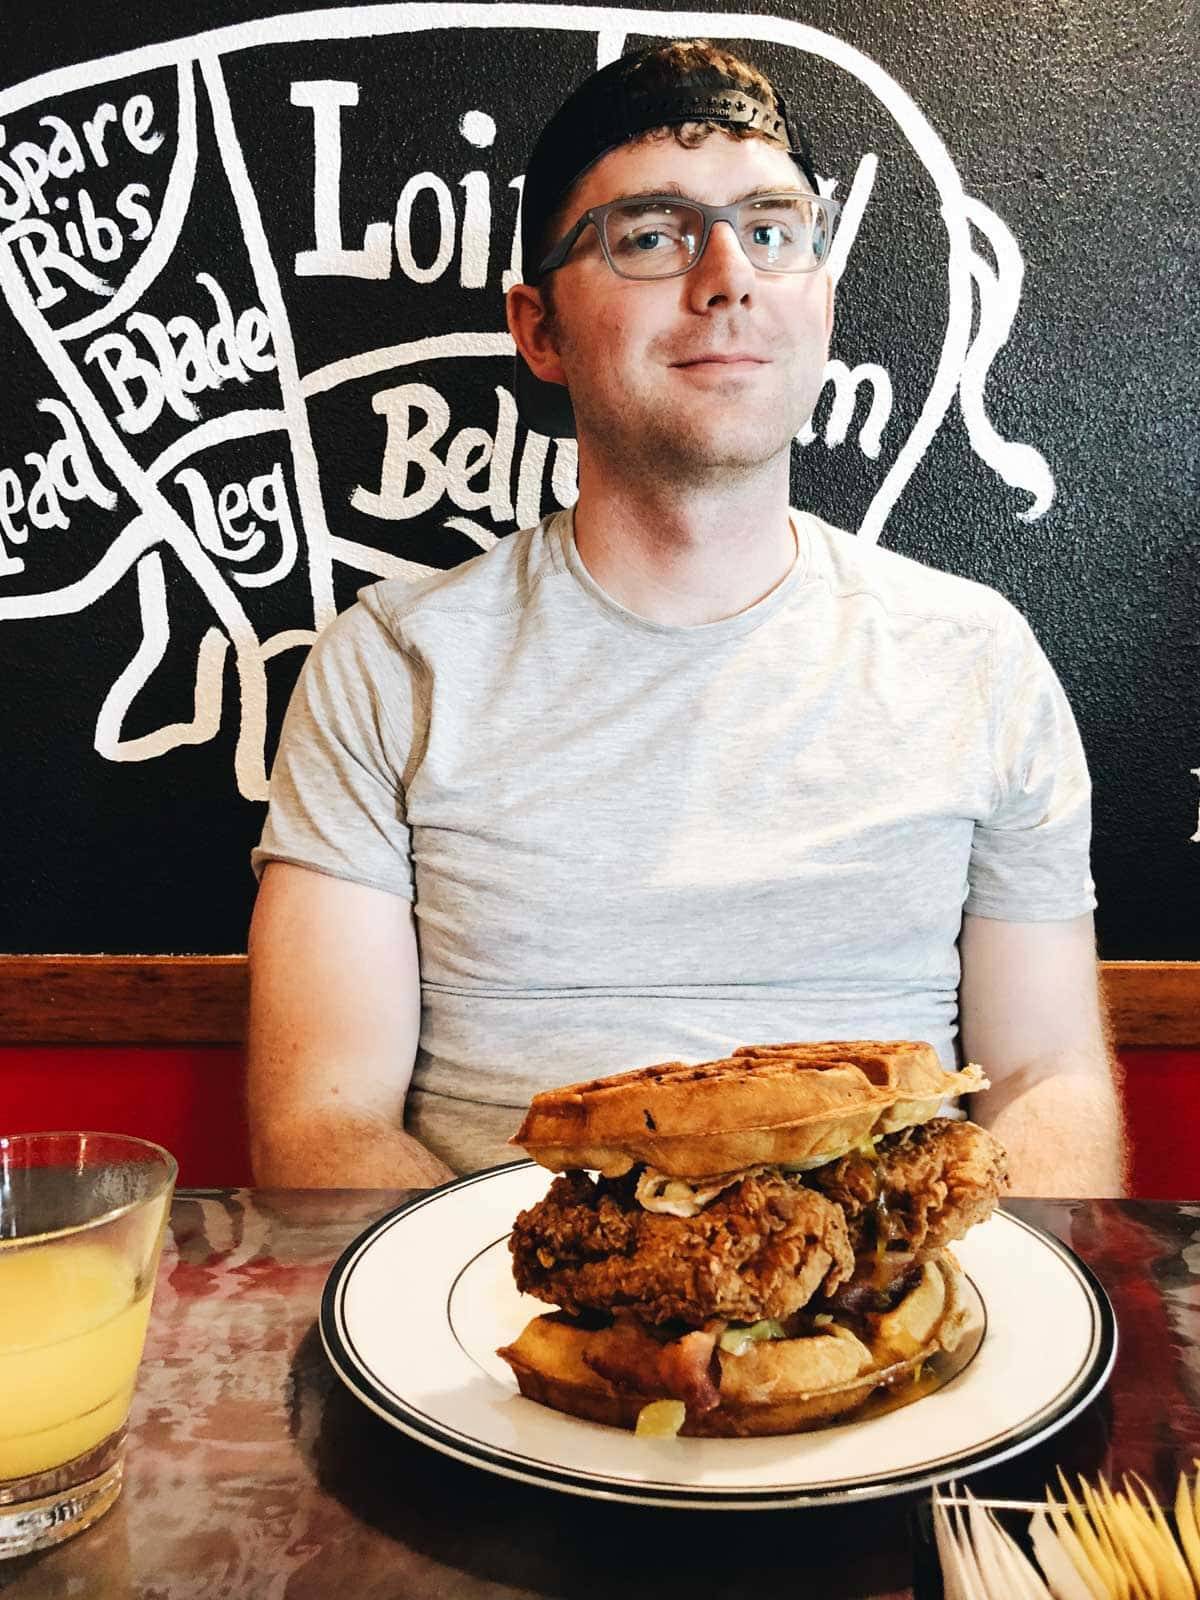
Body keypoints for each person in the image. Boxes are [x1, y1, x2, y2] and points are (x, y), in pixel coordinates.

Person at [246, 41, 1127, 1196]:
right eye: (651, 235)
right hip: (489, 1328)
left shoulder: (979, 659)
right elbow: (320, 1124)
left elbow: (1048, 1075)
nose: (728, 277)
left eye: (772, 229)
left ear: (819, 295)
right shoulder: (388, 666)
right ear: (540, 328)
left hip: (890, 1332)